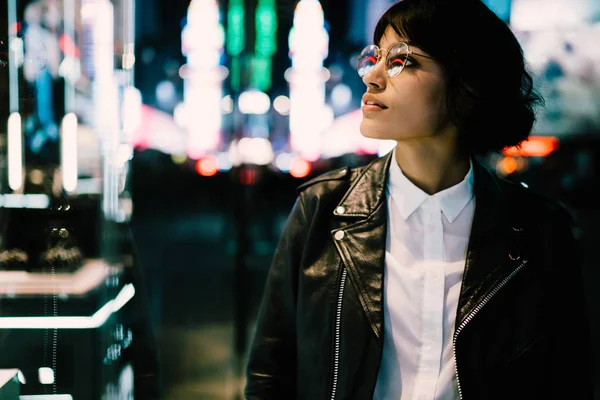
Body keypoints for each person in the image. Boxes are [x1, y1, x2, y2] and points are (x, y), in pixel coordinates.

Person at [244, 0, 593, 398]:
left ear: (467, 84)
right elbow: (271, 375)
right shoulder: (323, 208)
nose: (372, 77)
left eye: (402, 61)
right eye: (374, 58)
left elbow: (566, 379)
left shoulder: (539, 230)